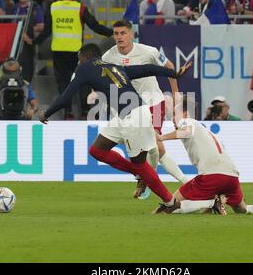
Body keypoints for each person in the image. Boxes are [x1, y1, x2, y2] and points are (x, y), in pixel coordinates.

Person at [39, 43, 191, 210]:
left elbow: (66, 97)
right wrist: (174, 73)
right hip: (126, 116)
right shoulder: (114, 67)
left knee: (142, 164)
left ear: (84, 57)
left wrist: (46, 113)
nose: (78, 63)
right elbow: (148, 69)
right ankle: (138, 173)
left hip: (135, 117)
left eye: (79, 59)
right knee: (97, 151)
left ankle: (170, 203)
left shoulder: (84, 68)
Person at [154, 96, 253, 215]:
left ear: (184, 113)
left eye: (174, 115)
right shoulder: (207, 131)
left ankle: (212, 202)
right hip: (231, 175)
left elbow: (186, 131)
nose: (172, 119)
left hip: (212, 175)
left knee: (169, 204)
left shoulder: (187, 122)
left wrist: (162, 137)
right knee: (243, 209)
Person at [102, 19, 188, 197]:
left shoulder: (149, 52)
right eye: (116, 34)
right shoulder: (108, 56)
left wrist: (176, 96)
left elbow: (170, 67)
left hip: (152, 103)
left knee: (156, 144)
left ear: (131, 34)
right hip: (128, 109)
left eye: (123, 33)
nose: (119, 37)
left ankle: (185, 183)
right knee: (143, 149)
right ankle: (147, 178)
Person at [26, 0, 113, 120]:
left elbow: (47, 31)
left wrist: (35, 41)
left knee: (64, 83)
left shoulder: (54, 7)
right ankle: (85, 113)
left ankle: (68, 113)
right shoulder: (80, 8)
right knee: (84, 81)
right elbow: (95, 26)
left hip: (59, 52)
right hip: (78, 53)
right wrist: (112, 32)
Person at [10, 0, 44, 83]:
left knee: (27, 70)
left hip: (27, 43)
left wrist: (25, 32)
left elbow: (40, 26)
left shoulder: (35, 7)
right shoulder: (15, 8)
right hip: (14, 42)